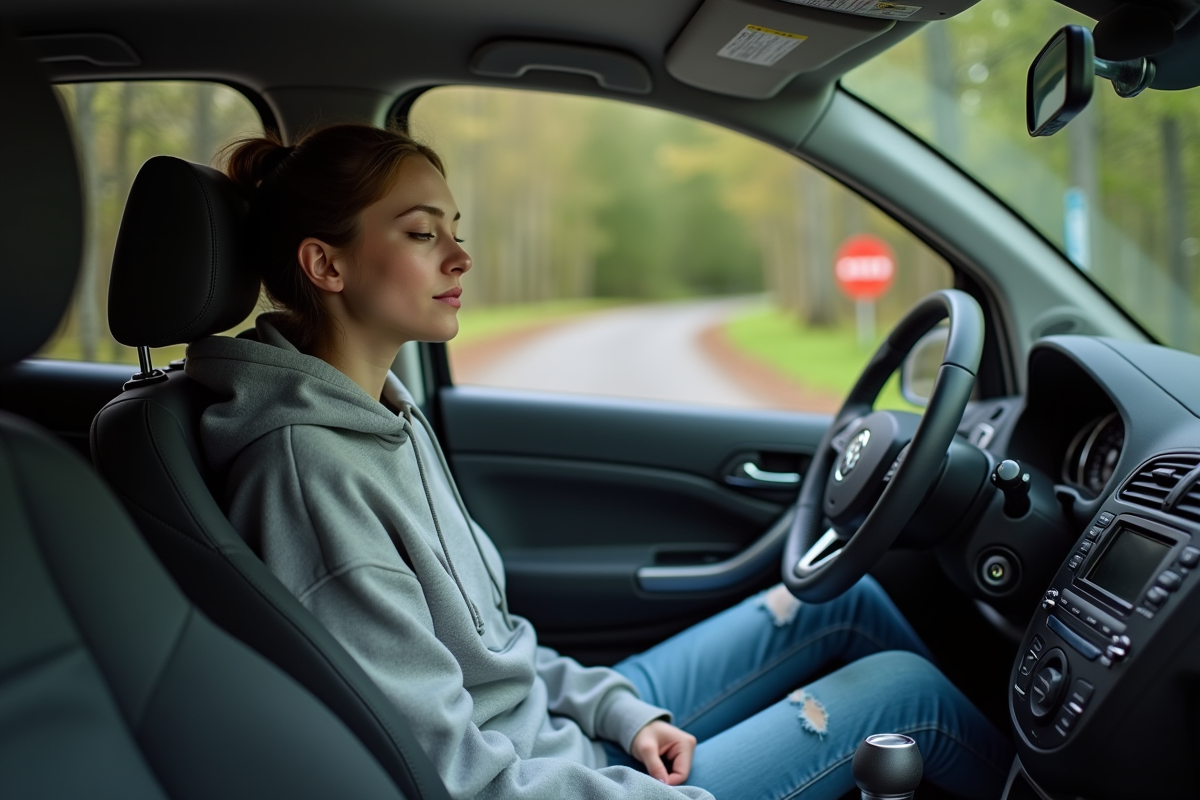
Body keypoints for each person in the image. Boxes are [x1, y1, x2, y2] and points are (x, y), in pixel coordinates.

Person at [187, 123, 1013, 800]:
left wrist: (622, 715)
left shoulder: (379, 411)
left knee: (846, 600)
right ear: (326, 265)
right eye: (420, 233)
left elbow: (492, 648)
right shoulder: (308, 471)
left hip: (555, 737)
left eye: (455, 230)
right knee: (908, 697)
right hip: (535, 781)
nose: (460, 256)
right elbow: (443, 772)